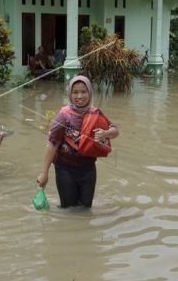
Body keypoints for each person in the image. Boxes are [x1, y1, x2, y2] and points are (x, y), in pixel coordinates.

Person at [36, 75, 119, 208]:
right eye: (75, 92)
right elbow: (52, 144)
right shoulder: (64, 115)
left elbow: (115, 131)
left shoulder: (95, 113)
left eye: (83, 92)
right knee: (68, 208)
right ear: (70, 94)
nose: (80, 96)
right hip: (65, 169)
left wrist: (105, 134)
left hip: (88, 168)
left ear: (90, 93)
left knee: (86, 207)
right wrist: (44, 173)